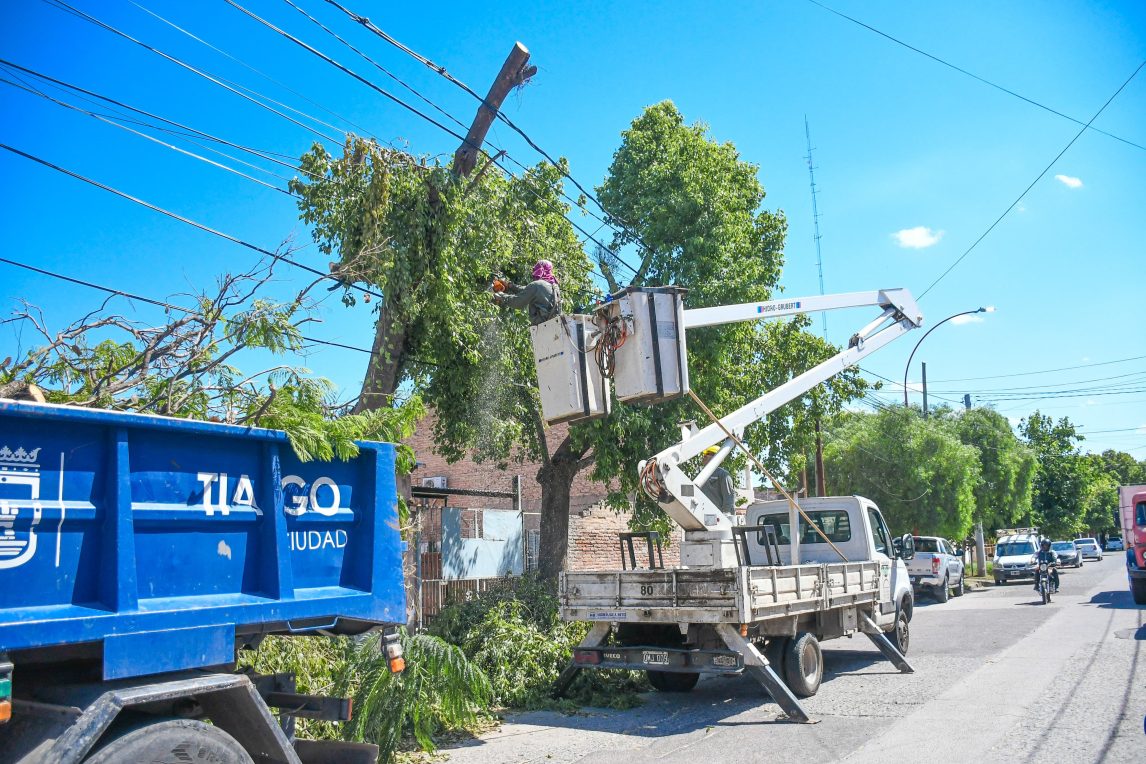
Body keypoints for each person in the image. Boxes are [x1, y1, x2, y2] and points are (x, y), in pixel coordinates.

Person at [492, 260, 560, 325]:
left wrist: (501, 295)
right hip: (554, 326)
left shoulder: (537, 285)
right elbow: (527, 290)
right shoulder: (553, 286)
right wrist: (510, 286)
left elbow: (517, 302)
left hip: (543, 328)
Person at [699, 445, 735, 516]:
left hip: (716, 518)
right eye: (705, 454)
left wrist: (725, 517)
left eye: (709, 453)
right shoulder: (700, 476)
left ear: (717, 457)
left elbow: (728, 499)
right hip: (702, 516)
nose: (705, 456)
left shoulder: (723, 474)